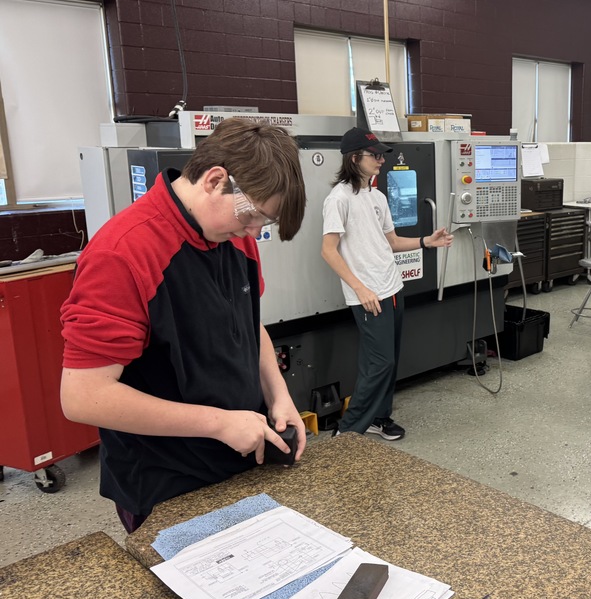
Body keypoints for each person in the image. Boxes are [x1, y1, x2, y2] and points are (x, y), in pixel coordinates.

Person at [60, 117, 309, 533]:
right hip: (167, 481)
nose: (253, 231)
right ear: (215, 180)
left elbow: (249, 324)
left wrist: (278, 394)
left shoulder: (233, 236)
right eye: (255, 216)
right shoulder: (123, 254)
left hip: (237, 457)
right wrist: (221, 422)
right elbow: (83, 396)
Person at [321, 127, 452, 440]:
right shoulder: (338, 199)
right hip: (368, 295)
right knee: (381, 362)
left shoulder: (376, 196)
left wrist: (426, 241)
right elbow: (328, 250)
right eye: (375, 155)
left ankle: (379, 417)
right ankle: (348, 430)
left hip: (391, 288)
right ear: (354, 158)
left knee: (383, 361)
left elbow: (390, 242)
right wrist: (360, 288)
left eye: (382, 155)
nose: (381, 160)